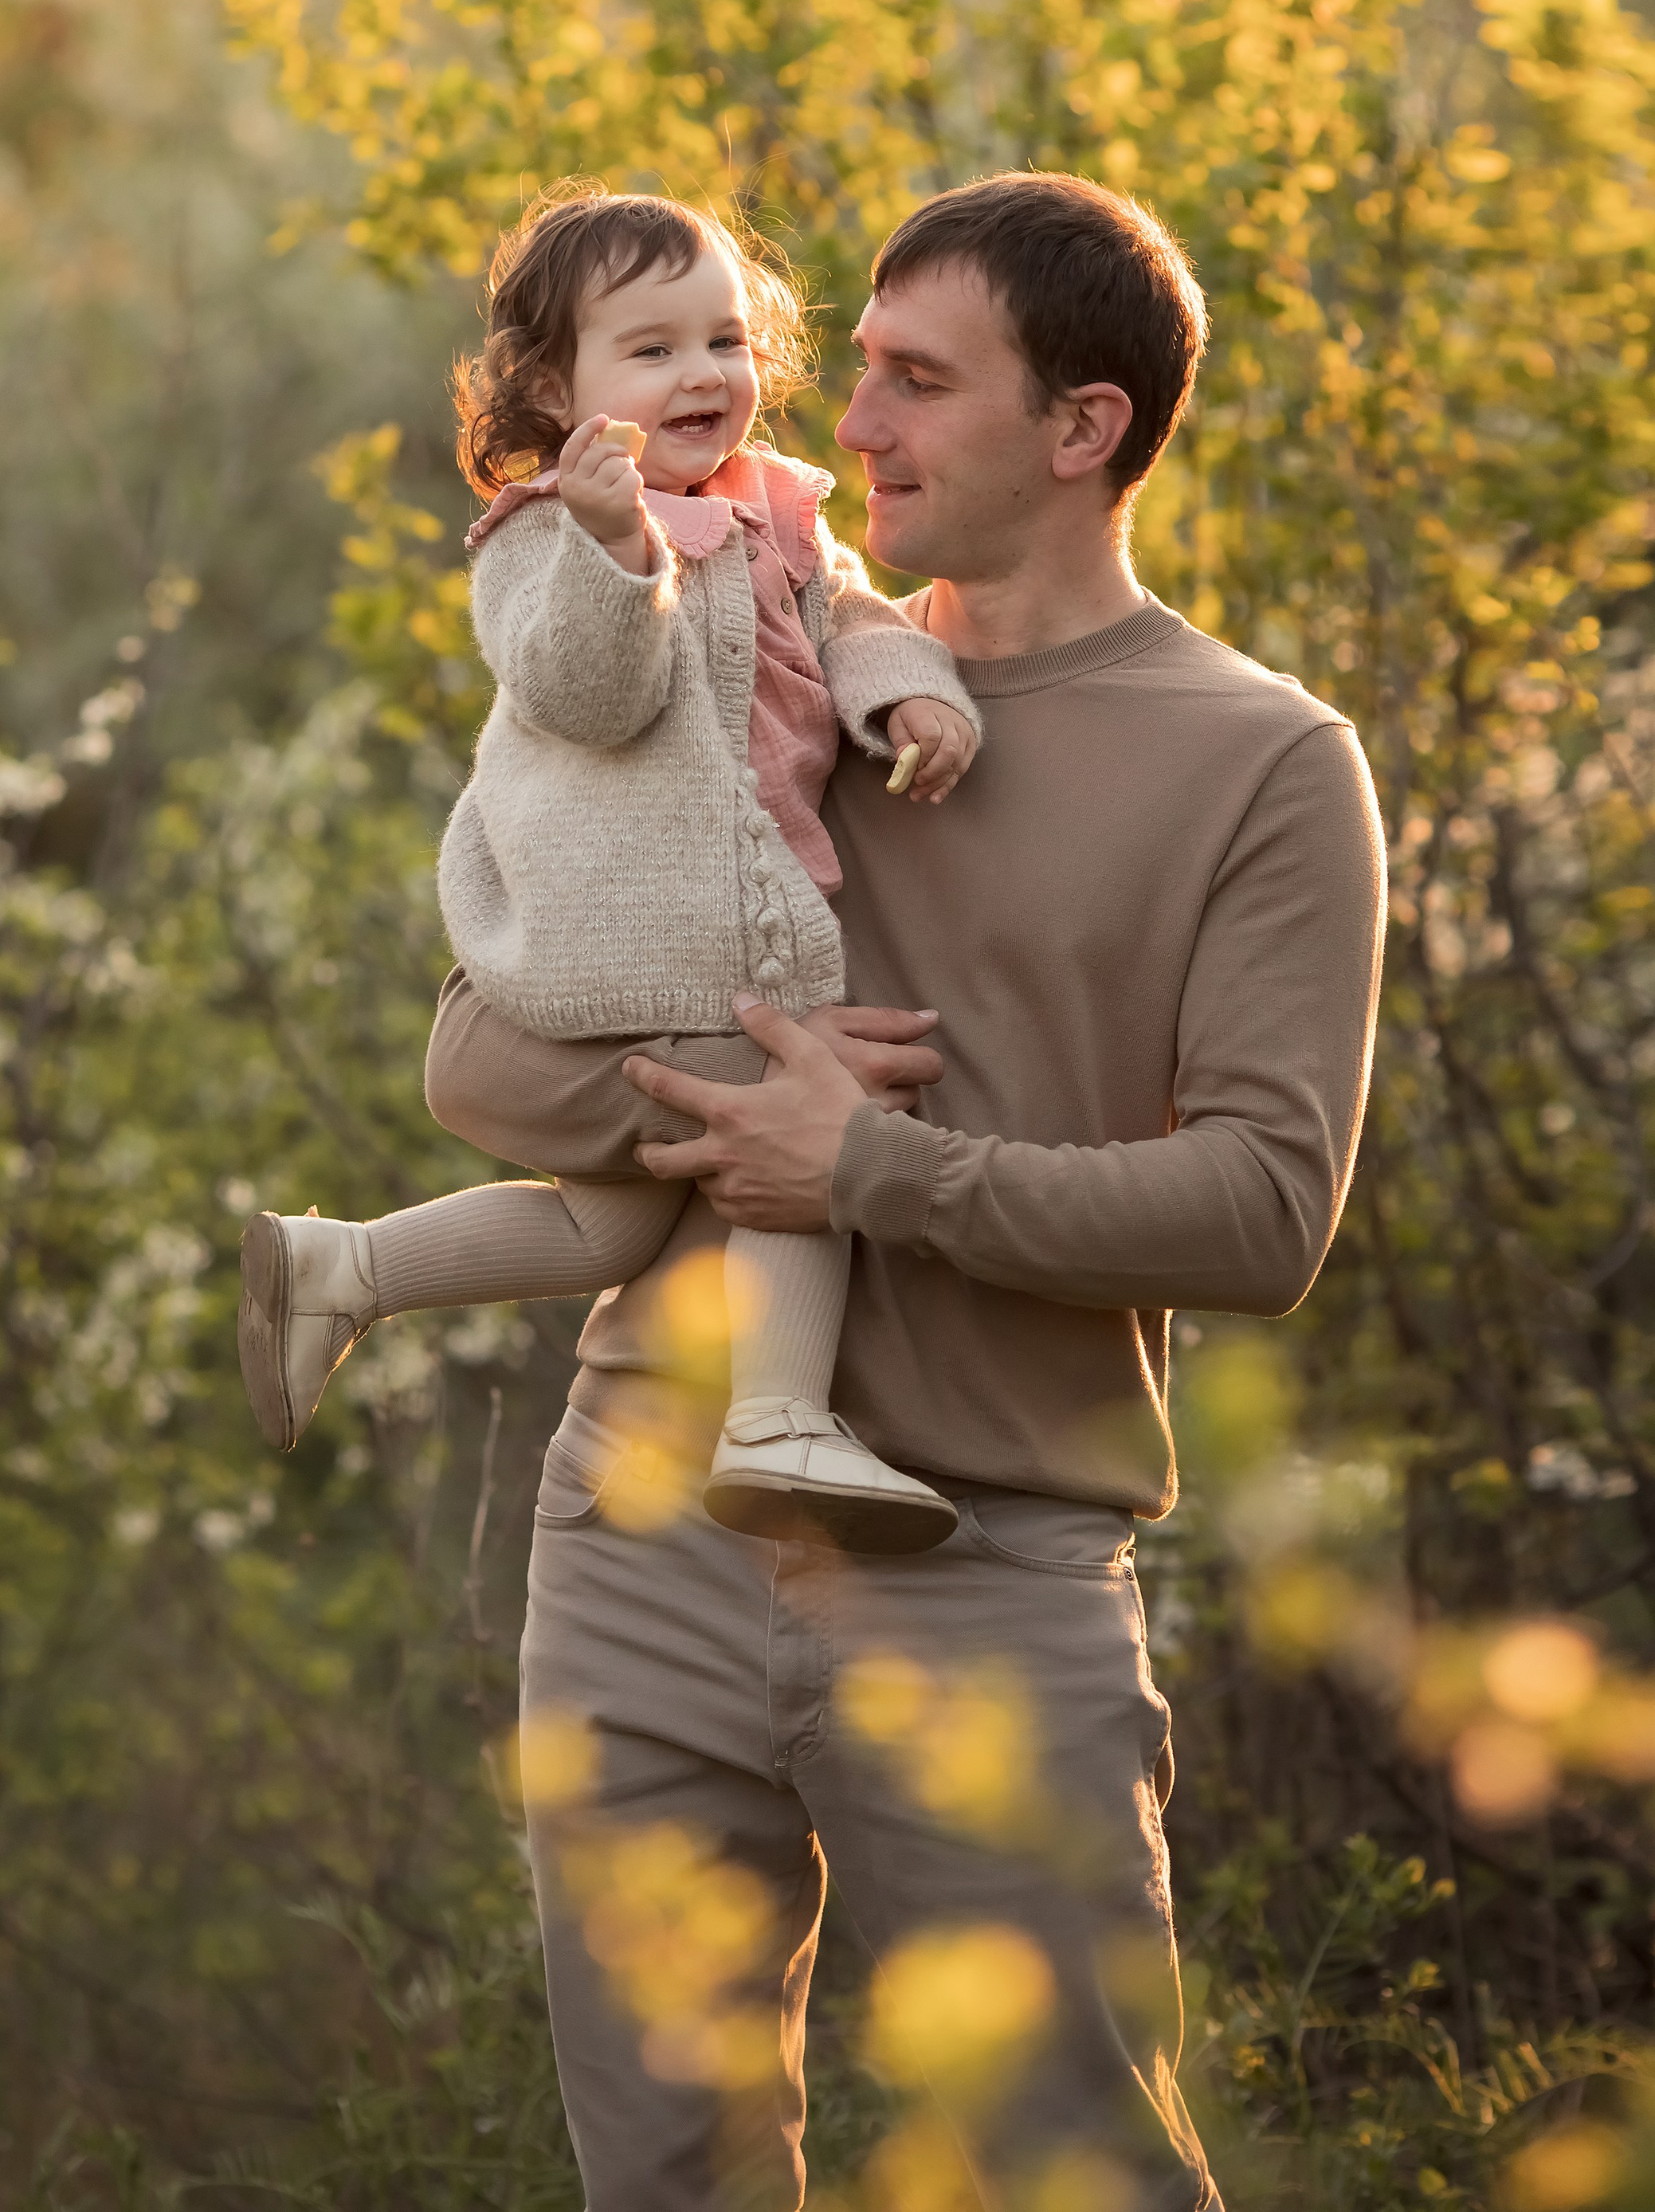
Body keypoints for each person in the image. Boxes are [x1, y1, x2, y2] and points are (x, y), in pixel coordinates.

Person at [422, 172, 1388, 2210]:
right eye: (851, 365)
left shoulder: (1260, 760)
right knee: (662, 2183)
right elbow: (477, 1053)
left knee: (1077, 2170)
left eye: (913, 383)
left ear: (1081, 429)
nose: (839, 422)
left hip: (992, 1565)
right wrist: (717, 1116)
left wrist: (873, 1168)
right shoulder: (747, 655)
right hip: (640, 1540)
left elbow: (1257, 1213)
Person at [237, 182, 982, 1547]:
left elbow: (858, 620)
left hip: (720, 956)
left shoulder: (775, 514)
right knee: (797, 1099)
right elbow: (590, 692)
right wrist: (613, 545)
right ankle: (778, 1421)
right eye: (651, 350)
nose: (703, 374)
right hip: (607, 961)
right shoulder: (538, 538)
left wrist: (910, 693)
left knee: (612, 1236)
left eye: (726, 340)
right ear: (550, 384)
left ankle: (343, 1268)